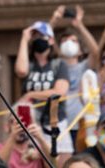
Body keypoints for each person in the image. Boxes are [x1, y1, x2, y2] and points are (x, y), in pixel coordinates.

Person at [17, 20, 74, 163]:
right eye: (35, 36)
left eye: (42, 36)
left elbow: (59, 92)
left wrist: (31, 94)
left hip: (55, 123)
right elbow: (21, 70)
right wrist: (24, 38)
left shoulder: (59, 64)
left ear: (51, 40)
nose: (39, 39)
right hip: (32, 125)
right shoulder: (29, 64)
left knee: (60, 163)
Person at [51, 5, 100, 148]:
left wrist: (80, 26)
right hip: (60, 125)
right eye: (65, 41)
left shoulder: (85, 66)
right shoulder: (55, 66)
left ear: (80, 49)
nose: (69, 44)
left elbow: (96, 51)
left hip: (83, 126)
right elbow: (46, 39)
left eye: (73, 41)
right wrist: (54, 20)